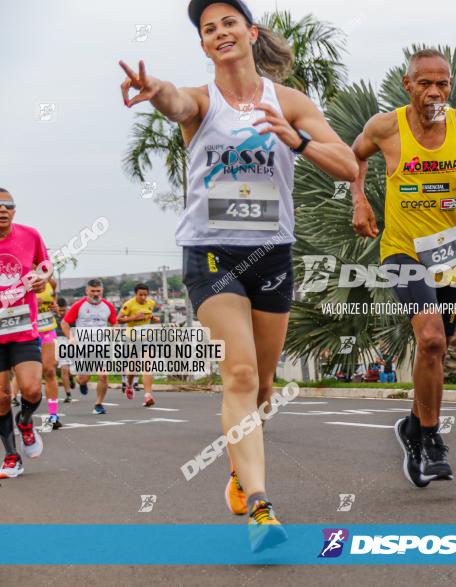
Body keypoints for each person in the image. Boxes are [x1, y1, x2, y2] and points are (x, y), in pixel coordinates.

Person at [119, 0, 357, 551]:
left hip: (272, 254)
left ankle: (238, 469)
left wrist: (294, 139)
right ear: (204, 45)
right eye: (208, 28)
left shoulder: (290, 102)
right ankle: (261, 507)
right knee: (242, 374)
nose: (219, 31)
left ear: (250, 33)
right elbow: (174, 101)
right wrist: (157, 91)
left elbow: (347, 166)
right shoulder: (201, 102)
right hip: (211, 253)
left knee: (265, 389)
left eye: (228, 22)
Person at [351, 48, 456, 486]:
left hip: (451, 256)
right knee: (432, 337)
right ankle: (433, 440)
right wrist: (359, 200)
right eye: (425, 83)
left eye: (443, 83)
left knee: (435, 350)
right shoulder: (386, 127)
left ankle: (413, 428)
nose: (435, 91)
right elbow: (354, 157)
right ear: (408, 85)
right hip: (402, 251)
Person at [0, 188, 52, 479]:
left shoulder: (30, 235)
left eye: (8, 205)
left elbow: (45, 268)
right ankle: (11, 457)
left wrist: (42, 280)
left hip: (22, 328)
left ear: (14, 211)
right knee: (1, 398)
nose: (3, 210)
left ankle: (26, 421)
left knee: (32, 389)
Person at [61, 279, 117, 414]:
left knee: (103, 375)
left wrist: (112, 334)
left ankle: (98, 404)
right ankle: (81, 381)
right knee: (83, 378)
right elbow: (65, 323)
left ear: (102, 291)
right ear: (87, 291)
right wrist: (71, 338)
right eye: (93, 291)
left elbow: (114, 323)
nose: (96, 294)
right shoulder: (78, 305)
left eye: (98, 291)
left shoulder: (108, 306)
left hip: (101, 346)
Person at [117, 283, 160, 406]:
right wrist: (134, 318)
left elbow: (149, 314)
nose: (143, 297)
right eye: (140, 295)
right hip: (133, 338)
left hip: (147, 337)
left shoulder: (151, 303)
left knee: (147, 365)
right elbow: (118, 319)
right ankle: (129, 386)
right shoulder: (129, 305)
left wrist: (154, 319)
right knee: (132, 369)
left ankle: (148, 396)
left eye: (145, 295)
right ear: (136, 294)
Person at [36, 277, 63, 428]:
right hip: (27, 333)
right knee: (31, 382)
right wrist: (31, 305)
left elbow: (54, 301)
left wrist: (55, 307)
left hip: (47, 330)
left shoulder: (50, 282)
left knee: (49, 371)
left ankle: (52, 417)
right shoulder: (19, 279)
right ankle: (25, 417)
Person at [54, 297, 74, 403]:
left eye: (64, 310)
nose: (62, 312)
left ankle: (71, 377)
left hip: (70, 340)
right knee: (64, 369)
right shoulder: (51, 315)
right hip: (58, 342)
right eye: (60, 310)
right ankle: (68, 394)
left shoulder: (72, 314)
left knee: (72, 369)